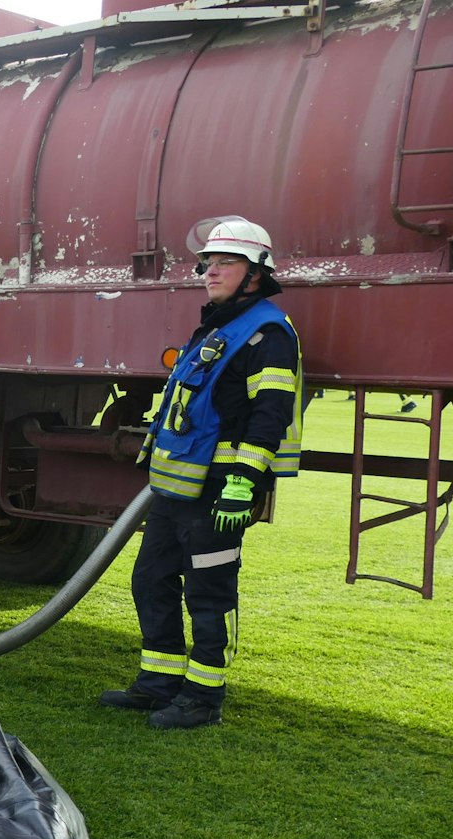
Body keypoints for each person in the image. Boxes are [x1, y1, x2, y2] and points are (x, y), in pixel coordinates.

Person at [101, 218, 304, 729]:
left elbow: (271, 415)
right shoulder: (218, 327)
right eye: (207, 264)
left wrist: (243, 484)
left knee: (209, 592)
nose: (210, 273)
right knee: (151, 580)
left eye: (225, 264)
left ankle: (204, 697)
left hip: (220, 489)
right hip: (177, 488)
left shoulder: (269, 333)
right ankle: (158, 683)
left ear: (256, 272)